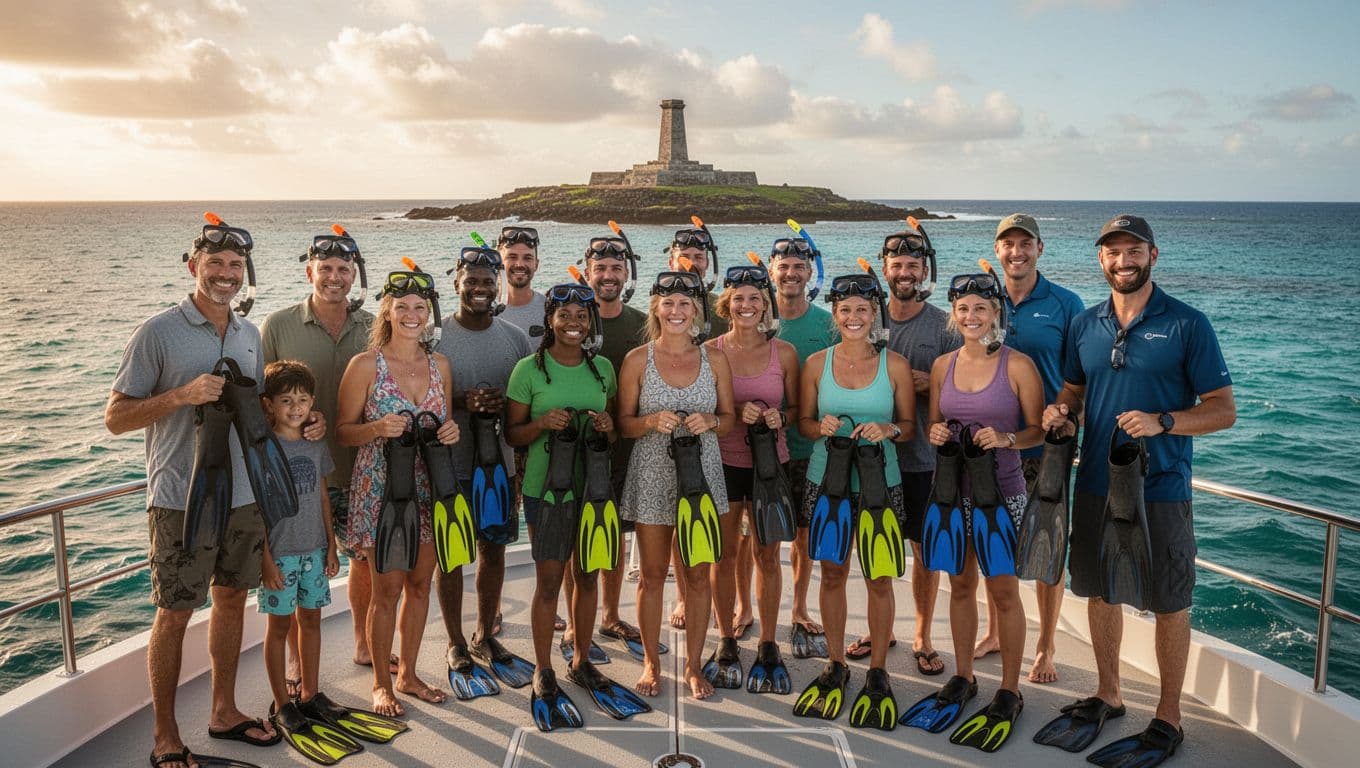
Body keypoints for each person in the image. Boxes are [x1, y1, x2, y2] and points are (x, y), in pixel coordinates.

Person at [1037, 215, 1234, 763]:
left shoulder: (1188, 324)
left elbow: (1222, 411)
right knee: (1100, 591)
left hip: (1162, 487)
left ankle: (1168, 716)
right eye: (1112, 252)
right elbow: (1074, 388)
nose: (1122, 261)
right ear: (1100, 260)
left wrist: (1163, 421)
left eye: (1133, 251)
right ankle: (1109, 692)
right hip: (1096, 482)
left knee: (1170, 602)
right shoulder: (1085, 324)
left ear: (1153, 255)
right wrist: (1061, 409)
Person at [107, 216, 281, 767]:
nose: (226, 275)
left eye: (235, 266)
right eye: (216, 264)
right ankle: (164, 735)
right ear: (193, 266)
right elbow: (115, 417)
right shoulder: (158, 331)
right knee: (175, 613)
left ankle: (224, 712)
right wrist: (181, 394)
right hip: (181, 498)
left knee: (231, 600)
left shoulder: (250, 334)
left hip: (243, 498)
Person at [919, 270, 1045, 749]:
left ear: (996, 314)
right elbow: (934, 424)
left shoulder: (1018, 366)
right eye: (963, 309)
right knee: (960, 585)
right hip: (951, 494)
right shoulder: (942, 366)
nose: (971, 317)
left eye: (980, 309)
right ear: (954, 314)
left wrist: (1008, 438)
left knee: (1005, 592)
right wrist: (934, 434)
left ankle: (1010, 689)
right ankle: (965, 675)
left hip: (1003, 494)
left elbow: (1036, 430)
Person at [261, 226, 380, 693]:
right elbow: (261, 401)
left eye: (343, 270)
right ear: (310, 271)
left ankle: (363, 643)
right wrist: (290, 425)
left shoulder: (373, 326)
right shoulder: (278, 325)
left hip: (358, 467)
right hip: (296, 476)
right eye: (325, 268)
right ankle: (294, 661)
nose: (334, 277)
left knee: (362, 560)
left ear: (354, 276)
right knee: (291, 556)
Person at [793, 272, 915, 723]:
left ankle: (878, 669)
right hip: (828, 481)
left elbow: (911, 427)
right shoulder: (816, 365)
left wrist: (890, 429)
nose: (853, 317)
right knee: (832, 574)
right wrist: (817, 427)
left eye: (862, 310)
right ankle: (837, 662)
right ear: (836, 316)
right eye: (845, 310)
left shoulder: (895, 366)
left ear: (874, 314)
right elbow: (803, 423)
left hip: (882, 484)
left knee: (879, 578)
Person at [337, 264, 458, 715]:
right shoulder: (365, 365)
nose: (411, 315)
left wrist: (451, 432)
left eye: (419, 308)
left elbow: (446, 422)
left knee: (421, 585)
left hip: (430, 487)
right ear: (386, 311)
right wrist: (376, 427)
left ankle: (408, 673)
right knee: (385, 591)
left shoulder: (440, 364)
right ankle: (381, 683)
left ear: (429, 314)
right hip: (380, 490)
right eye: (402, 306)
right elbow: (344, 431)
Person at [847, 226, 960, 675]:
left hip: (923, 461)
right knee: (874, 546)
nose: (905, 272)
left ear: (924, 270)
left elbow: (962, 384)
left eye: (913, 266)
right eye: (897, 266)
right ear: (885, 270)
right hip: (875, 460)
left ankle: (922, 633)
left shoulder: (943, 324)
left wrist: (927, 384)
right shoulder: (865, 321)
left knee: (924, 551)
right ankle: (880, 628)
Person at [978, 213, 1085, 683]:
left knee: (1047, 547)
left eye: (1025, 243)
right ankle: (996, 630)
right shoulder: (982, 300)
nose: (1016, 252)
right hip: (992, 446)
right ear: (997, 250)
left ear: (1040, 248)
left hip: (1045, 447)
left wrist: (1062, 411)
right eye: (1008, 244)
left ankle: (1045, 646)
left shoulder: (1066, 303)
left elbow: (1079, 377)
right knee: (991, 539)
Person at [618, 270, 734, 699]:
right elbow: (624, 425)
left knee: (699, 575)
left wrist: (713, 421)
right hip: (651, 474)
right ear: (656, 308)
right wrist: (650, 421)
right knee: (651, 575)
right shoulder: (636, 360)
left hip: (703, 477)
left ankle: (693, 666)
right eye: (668, 303)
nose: (676, 310)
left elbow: (731, 419)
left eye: (685, 303)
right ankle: (652, 662)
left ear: (697, 311)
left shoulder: (715, 359)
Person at [505, 283, 619, 722]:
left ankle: (581, 659)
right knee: (550, 579)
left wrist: (607, 425)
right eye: (564, 315)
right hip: (545, 491)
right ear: (550, 319)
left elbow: (613, 434)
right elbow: (512, 435)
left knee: (586, 576)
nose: (573, 323)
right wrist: (541, 424)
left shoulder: (603, 368)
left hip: (592, 490)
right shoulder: (527, 370)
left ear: (591, 322)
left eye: (581, 316)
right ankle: (544, 668)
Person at [431, 247, 532, 676]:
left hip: (500, 464)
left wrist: (522, 463)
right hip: (449, 463)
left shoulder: (515, 338)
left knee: (493, 548)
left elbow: (525, 404)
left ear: (498, 287)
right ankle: (455, 641)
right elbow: (420, 397)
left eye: (487, 283)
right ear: (456, 283)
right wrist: (461, 402)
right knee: (450, 554)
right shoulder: (435, 338)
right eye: (471, 281)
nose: (479, 289)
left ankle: (484, 632)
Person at [705, 263, 799, 680]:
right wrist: (730, 412)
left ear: (766, 306)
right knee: (724, 555)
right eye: (739, 298)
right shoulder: (711, 351)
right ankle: (726, 637)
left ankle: (768, 641)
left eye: (755, 299)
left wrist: (782, 417)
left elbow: (798, 410)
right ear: (727, 304)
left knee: (767, 555)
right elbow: (702, 407)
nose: (746, 305)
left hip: (769, 467)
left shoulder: (785, 353)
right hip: (723, 464)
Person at [256, 361, 341, 740]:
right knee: (278, 629)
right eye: (286, 400)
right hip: (281, 554)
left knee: (311, 621)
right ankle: (282, 703)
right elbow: (256, 507)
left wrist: (331, 544)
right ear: (268, 404)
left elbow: (322, 494)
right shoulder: (263, 450)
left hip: (314, 549)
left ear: (312, 403)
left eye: (303, 400)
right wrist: (265, 559)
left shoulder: (315, 443)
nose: (295, 408)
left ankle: (310, 692)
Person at [580, 236, 651, 653]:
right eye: (600, 269)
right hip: (583, 448)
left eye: (615, 270)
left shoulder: (642, 322)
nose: (608, 277)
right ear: (588, 273)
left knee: (619, 536)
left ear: (626, 275)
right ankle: (577, 624)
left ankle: (610, 615)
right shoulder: (572, 317)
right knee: (582, 537)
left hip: (632, 447)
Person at [768, 237, 837, 658]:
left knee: (804, 536)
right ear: (772, 271)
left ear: (810, 273)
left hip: (811, 448)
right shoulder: (753, 315)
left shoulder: (828, 324)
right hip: (760, 449)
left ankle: (797, 607)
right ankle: (744, 607)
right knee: (756, 538)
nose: (791, 274)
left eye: (799, 267)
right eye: (784, 267)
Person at [496, 225, 548, 335]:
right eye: (512, 257)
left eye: (527, 258)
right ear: (499, 264)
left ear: (536, 265)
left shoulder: (550, 311)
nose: (519, 264)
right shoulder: (485, 311)